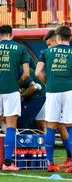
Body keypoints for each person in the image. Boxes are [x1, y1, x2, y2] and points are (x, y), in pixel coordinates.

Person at [0, 25, 30, 171]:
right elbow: (27, 74)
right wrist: (18, 82)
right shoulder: (20, 48)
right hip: (11, 90)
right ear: (11, 35)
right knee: (11, 126)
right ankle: (7, 163)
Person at [36, 25, 72, 173]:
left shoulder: (46, 52)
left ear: (57, 38)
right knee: (69, 126)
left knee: (50, 126)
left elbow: (38, 72)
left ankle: (50, 163)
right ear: (69, 38)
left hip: (52, 91)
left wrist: (47, 82)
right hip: (69, 90)